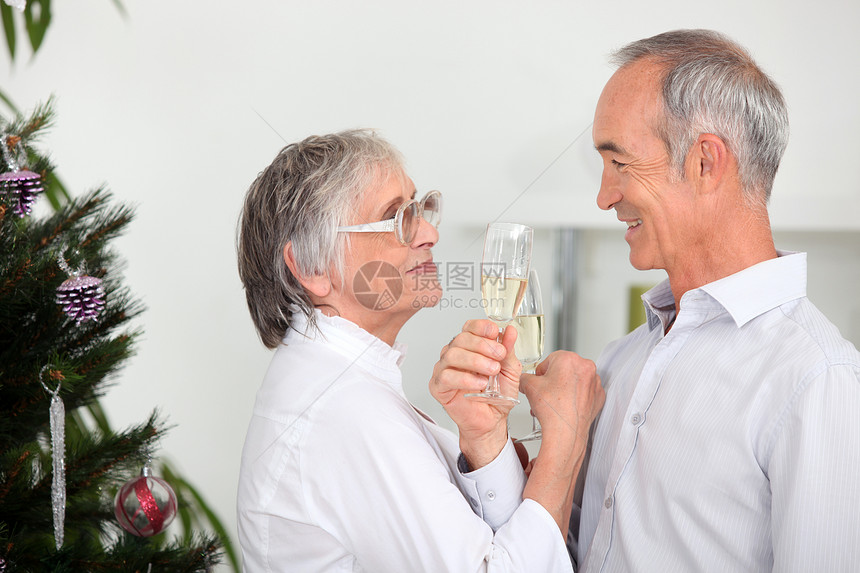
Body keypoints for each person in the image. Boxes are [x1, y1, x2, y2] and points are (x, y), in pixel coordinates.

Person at [434, 29, 860, 572]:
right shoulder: (622, 361)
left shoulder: (817, 381)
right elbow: (549, 553)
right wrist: (487, 438)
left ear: (706, 162)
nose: (604, 195)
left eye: (620, 163)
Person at [235, 129, 604, 572]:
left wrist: (485, 440)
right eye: (398, 217)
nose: (429, 231)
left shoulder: (339, 384)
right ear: (312, 268)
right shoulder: (344, 409)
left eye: (420, 208)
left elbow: (489, 547)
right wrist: (566, 437)